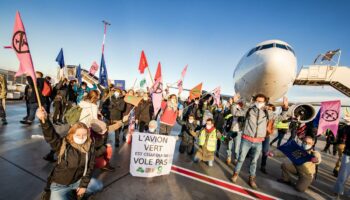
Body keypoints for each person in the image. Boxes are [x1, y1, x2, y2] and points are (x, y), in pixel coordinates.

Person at [36, 107, 103, 199]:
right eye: (78, 135)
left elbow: (90, 167)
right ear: (72, 134)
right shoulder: (63, 145)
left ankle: (77, 195)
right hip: (60, 185)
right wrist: (44, 120)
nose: (81, 137)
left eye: (84, 135)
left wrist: (83, 185)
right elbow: (51, 136)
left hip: (78, 181)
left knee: (98, 185)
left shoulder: (90, 146)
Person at [231, 94, 288, 189]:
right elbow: (235, 113)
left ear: (265, 102)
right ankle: (235, 174)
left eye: (261, 101)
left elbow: (280, 118)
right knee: (241, 158)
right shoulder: (249, 110)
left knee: (254, 161)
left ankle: (252, 178)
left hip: (258, 142)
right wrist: (234, 102)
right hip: (246, 140)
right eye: (257, 101)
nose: (259, 103)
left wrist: (285, 108)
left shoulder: (267, 112)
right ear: (254, 101)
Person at [333, 122, 350, 198]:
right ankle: (337, 194)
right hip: (348, 154)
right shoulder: (347, 128)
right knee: (342, 176)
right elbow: (341, 130)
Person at [226, 100, 244, 165]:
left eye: (239, 105)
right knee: (229, 146)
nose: (238, 106)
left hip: (238, 132)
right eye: (237, 105)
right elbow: (231, 113)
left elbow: (238, 113)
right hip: (231, 131)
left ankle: (236, 159)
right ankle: (228, 157)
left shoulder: (242, 115)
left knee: (236, 147)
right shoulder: (231, 115)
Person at [260, 104, 276, 174]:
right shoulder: (261, 115)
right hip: (258, 135)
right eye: (268, 109)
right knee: (253, 150)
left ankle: (263, 166)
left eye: (270, 109)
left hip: (266, 136)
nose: (269, 110)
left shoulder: (273, 117)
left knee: (265, 151)